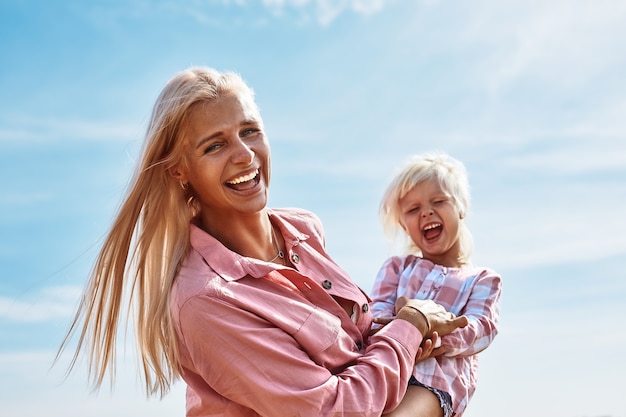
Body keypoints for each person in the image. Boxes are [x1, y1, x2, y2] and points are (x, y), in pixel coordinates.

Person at [57, 67, 469, 416]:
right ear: (179, 171)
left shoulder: (304, 230)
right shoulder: (204, 301)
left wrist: (399, 336)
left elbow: (351, 350)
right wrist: (408, 327)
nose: (244, 155)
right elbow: (336, 408)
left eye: (250, 131)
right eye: (215, 145)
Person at [371, 153, 502, 417]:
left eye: (439, 201)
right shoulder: (396, 268)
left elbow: (481, 329)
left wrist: (427, 329)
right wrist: (401, 331)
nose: (427, 212)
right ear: (404, 225)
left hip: (434, 385)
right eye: (413, 209)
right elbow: (375, 315)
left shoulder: (482, 279)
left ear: (461, 207)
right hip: (386, 372)